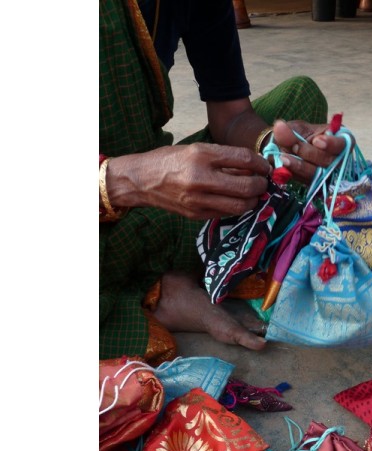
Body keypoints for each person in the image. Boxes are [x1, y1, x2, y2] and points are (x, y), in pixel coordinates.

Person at [100, 0, 347, 364]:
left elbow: (231, 116)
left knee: (300, 96)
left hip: (149, 209)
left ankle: (150, 277)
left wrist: (272, 144)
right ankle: (154, 292)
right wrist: (129, 178)